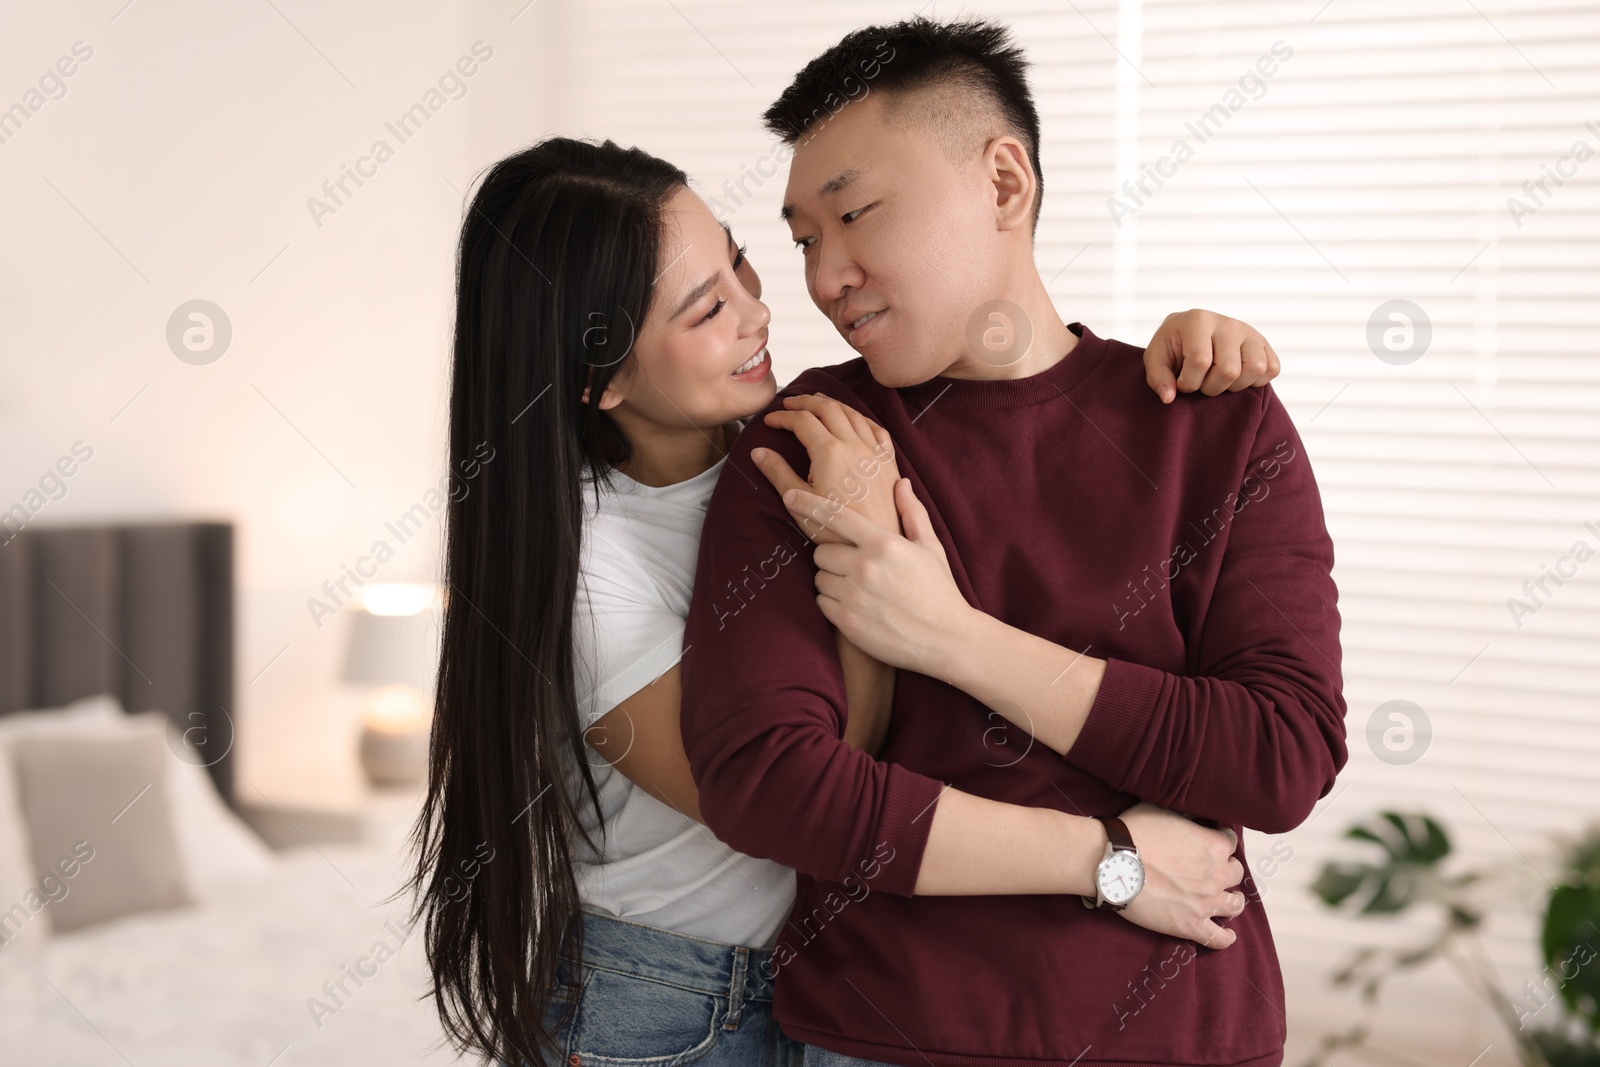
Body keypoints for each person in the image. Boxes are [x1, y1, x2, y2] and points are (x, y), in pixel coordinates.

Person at [405, 135, 1286, 1067]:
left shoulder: (791, 442)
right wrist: (1113, 861)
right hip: (667, 1001)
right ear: (601, 378)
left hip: (813, 981)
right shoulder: (589, 570)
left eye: (744, 264)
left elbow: (1028, 387)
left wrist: (1181, 353)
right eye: (708, 309)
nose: (761, 313)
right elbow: (788, 792)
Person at [679, 16, 1347, 1067]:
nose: (825, 275)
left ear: (1003, 183)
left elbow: (1278, 757)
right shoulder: (813, 443)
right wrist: (1111, 857)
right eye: (805, 238)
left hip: (1182, 1036)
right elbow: (767, 780)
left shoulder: (1216, 420)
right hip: (890, 1036)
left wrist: (950, 637)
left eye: (854, 213)